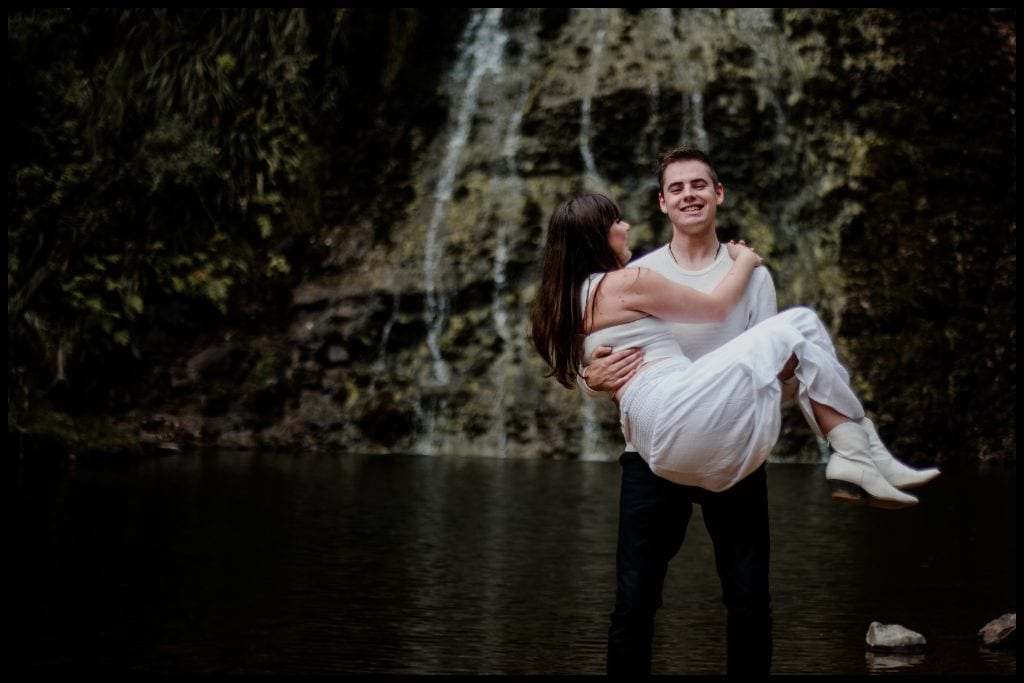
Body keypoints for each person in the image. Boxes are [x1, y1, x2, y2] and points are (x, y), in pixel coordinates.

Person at [530, 148, 939, 675]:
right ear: (663, 202)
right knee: (634, 599)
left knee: (749, 600)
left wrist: (788, 374)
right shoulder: (637, 272)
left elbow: (775, 379)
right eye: (676, 188)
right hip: (655, 446)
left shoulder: (753, 283)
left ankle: (854, 451)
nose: (689, 194)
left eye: (699, 184)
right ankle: (854, 449)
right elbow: (608, 358)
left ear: (718, 193)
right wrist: (591, 381)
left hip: (728, 438)